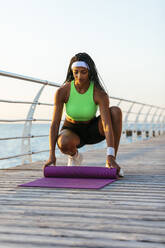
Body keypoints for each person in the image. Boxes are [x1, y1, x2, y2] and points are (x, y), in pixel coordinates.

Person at [44, 52, 123, 176]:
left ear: (89, 72)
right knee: (63, 142)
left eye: (83, 72)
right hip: (72, 130)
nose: (79, 76)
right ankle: (74, 156)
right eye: (76, 72)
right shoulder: (62, 92)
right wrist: (51, 155)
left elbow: (107, 125)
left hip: (92, 129)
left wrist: (110, 154)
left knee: (115, 112)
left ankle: (111, 160)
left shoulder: (99, 93)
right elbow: (55, 124)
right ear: (72, 72)